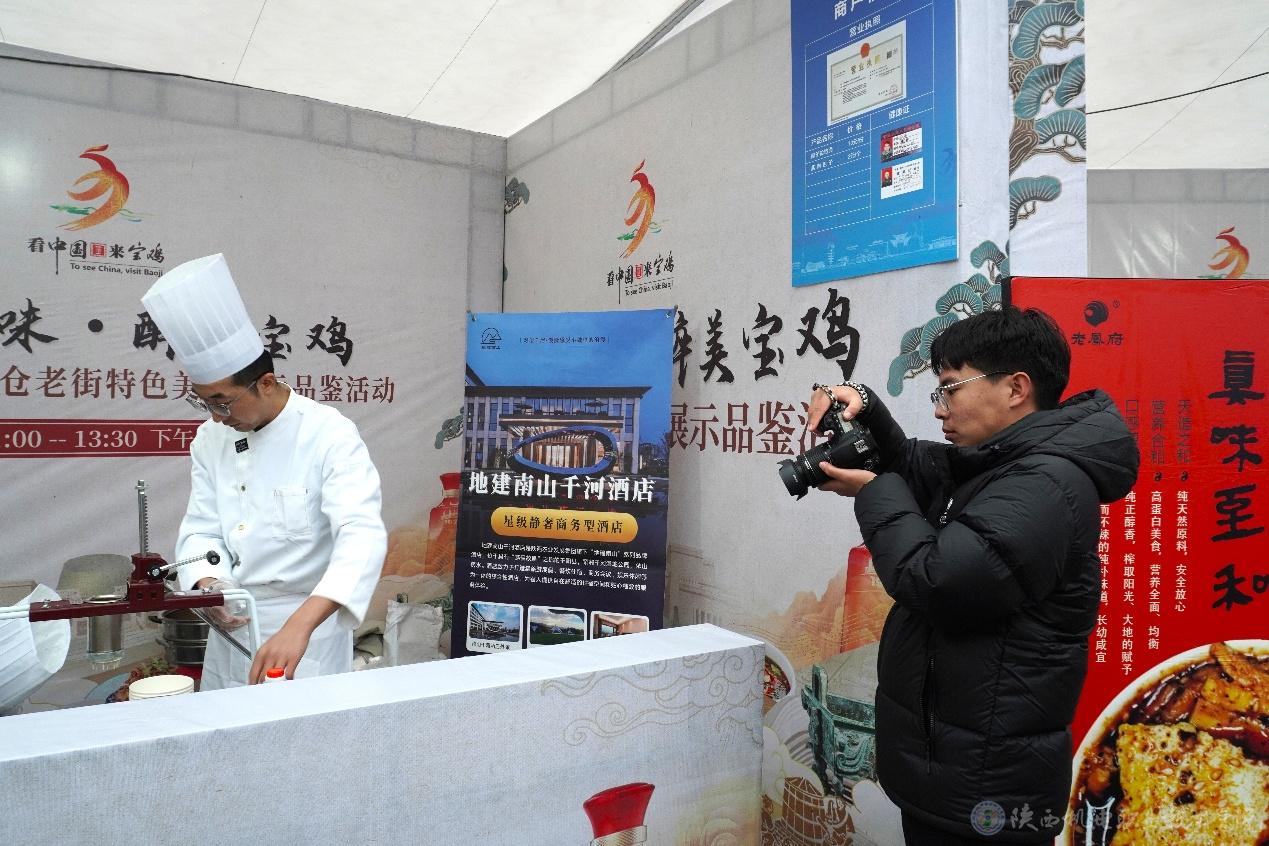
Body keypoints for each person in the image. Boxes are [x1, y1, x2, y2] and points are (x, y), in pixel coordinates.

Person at [807, 306, 1138, 844]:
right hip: (959, 771)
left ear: (1016, 388)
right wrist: (866, 408)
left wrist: (873, 492)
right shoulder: (1001, 462)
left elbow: (939, 582)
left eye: (950, 389)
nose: (940, 408)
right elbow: (918, 465)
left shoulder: (1046, 482)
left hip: (988, 790)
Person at [142, 254, 386, 689]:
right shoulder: (210, 439)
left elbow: (361, 536)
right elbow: (202, 529)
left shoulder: (328, 433)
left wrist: (300, 626)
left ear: (266, 384)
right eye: (204, 402)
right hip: (233, 624)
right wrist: (210, 585)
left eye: (223, 402)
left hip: (307, 629)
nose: (216, 416)